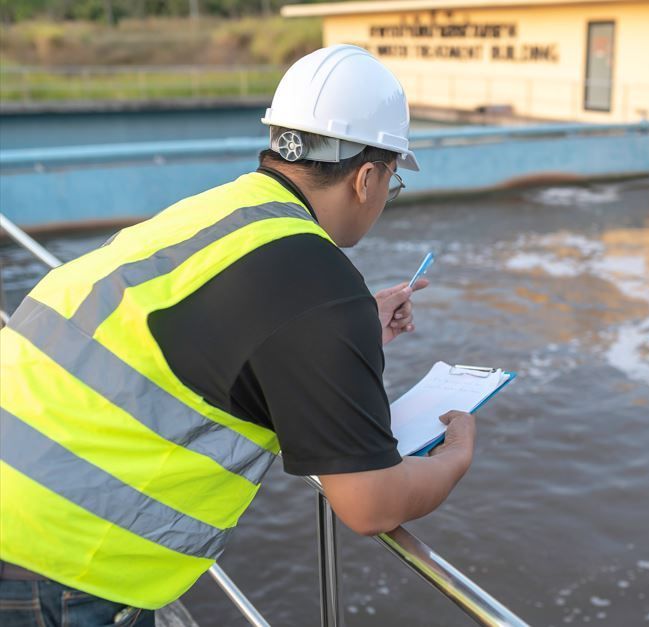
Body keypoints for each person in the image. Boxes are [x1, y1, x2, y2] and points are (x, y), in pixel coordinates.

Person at [0, 45, 476, 626]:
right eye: (391, 183)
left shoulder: (215, 209)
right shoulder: (323, 289)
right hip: (52, 568)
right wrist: (456, 455)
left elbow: (212, 332)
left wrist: (352, 332)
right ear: (367, 177)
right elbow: (371, 504)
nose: (383, 197)